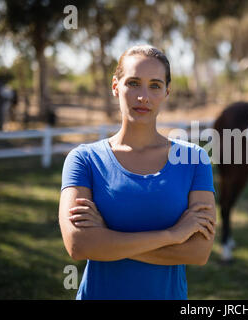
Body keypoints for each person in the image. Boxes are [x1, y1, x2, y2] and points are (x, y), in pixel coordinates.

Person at [58, 45, 216, 300]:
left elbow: (198, 252)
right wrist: (172, 236)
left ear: (167, 92)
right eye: (133, 83)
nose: (143, 96)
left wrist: (105, 242)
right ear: (115, 86)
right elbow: (78, 245)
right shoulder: (84, 159)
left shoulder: (193, 159)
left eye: (155, 85)